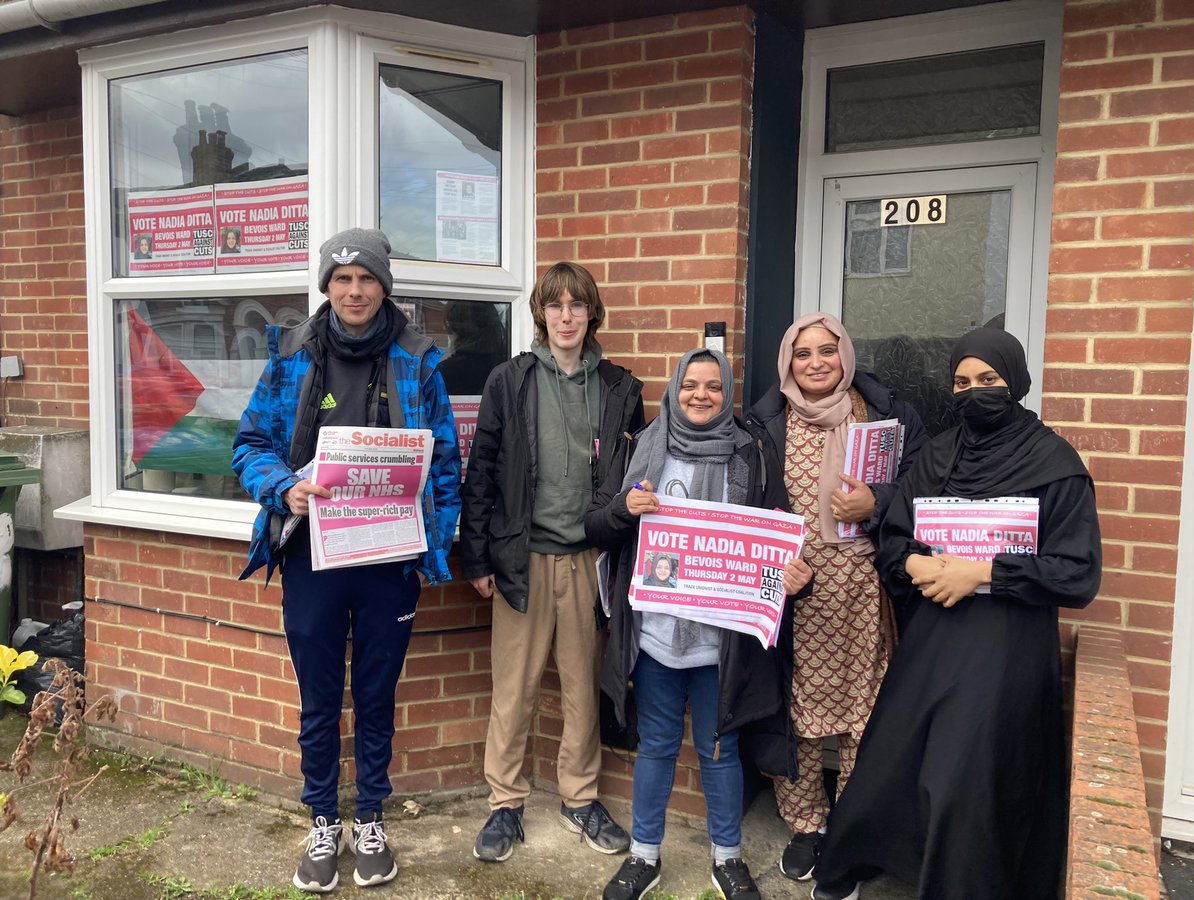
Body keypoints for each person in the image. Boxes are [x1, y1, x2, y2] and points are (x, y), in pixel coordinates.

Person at [811, 327, 1102, 900]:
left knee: (962, 776)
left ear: (1015, 382)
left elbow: (1077, 573)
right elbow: (895, 535)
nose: (975, 392)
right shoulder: (939, 453)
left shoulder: (1055, 461)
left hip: (1006, 647)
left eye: (989, 381)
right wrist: (914, 566)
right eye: (962, 382)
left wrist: (985, 571)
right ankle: (860, 862)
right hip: (934, 637)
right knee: (891, 757)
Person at [232, 227, 461, 893]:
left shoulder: (419, 361)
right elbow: (249, 444)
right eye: (342, 279)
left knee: (377, 693)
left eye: (366, 278)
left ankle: (371, 819)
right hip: (312, 553)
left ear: (384, 285)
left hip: (389, 557)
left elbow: (445, 462)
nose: (354, 291)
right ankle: (323, 820)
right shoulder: (291, 355)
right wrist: (284, 488)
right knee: (320, 694)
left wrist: (434, 544)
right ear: (326, 287)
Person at [586, 348, 813, 900]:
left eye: (714, 386)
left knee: (720, 752)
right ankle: (644, 856)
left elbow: (774, 533)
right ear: (675, 387)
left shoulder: (751, 453)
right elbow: (598, 523)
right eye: (691, 385)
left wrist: (787, 573)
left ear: (728, 392)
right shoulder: (645, 446)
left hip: (721, 644)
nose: (701, 396)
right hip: (658, 637)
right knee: (658, 747)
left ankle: (727, 857)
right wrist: (625, 511)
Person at [460, 261, 644, 864]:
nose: (566, 316)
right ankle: (505, 804)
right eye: (555, 305)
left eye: (577, 305)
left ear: (592, 313)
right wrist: (479, 556)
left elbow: (632, 478)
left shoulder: (620, 387)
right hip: (523, 558)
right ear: (541, 314)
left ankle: (579, 797)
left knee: (581, 692)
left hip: (589, 561)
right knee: (512, 690)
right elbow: (480, 472)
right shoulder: (509, 381)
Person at [744, 313, 926, 884]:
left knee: (862, 712)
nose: (816, 363)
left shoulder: (884, 414)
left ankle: (848, 819)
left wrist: (878, 503)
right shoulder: (763, 424)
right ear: (787, 363)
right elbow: (744, 506)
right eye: (803, 354)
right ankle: (806, 823)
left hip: (863, 588)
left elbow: (925, 483)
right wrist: (773, 562)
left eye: (827, 351)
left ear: (845, 355)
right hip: (794, 591)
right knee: (792, 710)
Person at [438, 300, 509, 396]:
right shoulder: (506, 364)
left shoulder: (446, 372)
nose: (444, 328)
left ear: (458, 328)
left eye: (448, 323)